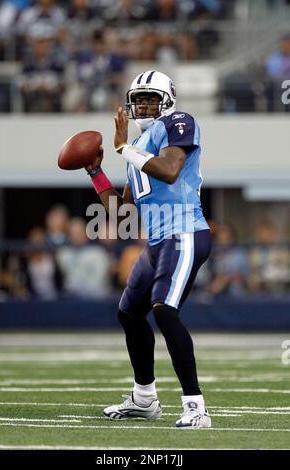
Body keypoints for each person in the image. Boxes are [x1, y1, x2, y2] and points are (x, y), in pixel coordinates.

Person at [85, 70, 212, 428]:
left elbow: (171, 170)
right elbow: (122, 210)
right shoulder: (138, 151)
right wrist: (95, 172)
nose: (143, 105)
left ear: (167, 101)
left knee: (164, 310)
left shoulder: (179, 122)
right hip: (158, 241)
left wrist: (125, 148)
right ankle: (144, 399)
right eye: (138, 99)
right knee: (129, 312)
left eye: (150, 98)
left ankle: (195, 407)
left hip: (186, 231)